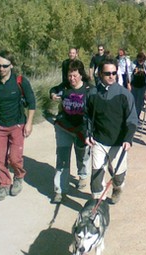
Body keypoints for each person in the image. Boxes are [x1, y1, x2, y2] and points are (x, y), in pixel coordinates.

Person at [84, 58, 138, 204]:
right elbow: (87, 117)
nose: (111, 76)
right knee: (96, 174)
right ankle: (97, 203)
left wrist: (128, 138)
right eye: (107, 73)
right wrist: (87, 134)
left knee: (118, 175)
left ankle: (117, 188)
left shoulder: (125, 95)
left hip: (118, 142)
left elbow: (132, 120)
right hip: (99, 141)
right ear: (100, 74)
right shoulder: (92, 94)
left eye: (114, 73)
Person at [0, 50, 36, 201]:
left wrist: (29, 123)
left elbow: (32, 103)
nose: (1, 69)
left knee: (15, 158)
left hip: (17, 124)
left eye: (5, 65)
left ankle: (18, 177)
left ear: (11, 65)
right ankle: (4, 184)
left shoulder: (20, 81)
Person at [49, 60, 92, 203]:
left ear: (81, 75)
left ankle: (83, 175)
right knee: (62, 157)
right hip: (64, 127)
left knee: (82, 155)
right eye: (69, 76)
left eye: (74, 76)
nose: (72, 79)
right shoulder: (65, 87)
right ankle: (59, 190)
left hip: (81, 130)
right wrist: (53, 94)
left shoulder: (89, 90)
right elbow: (54, 90)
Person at [130, 52, 146, 119]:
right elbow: (129, 73)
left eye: (142, 60)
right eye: (139, 60)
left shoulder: (145, 64)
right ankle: (133, 116)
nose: (140, 62)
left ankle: (137, 116)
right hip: (134, 85)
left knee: (139, 103)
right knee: (133, 102)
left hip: (143, 86)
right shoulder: (134, 64)